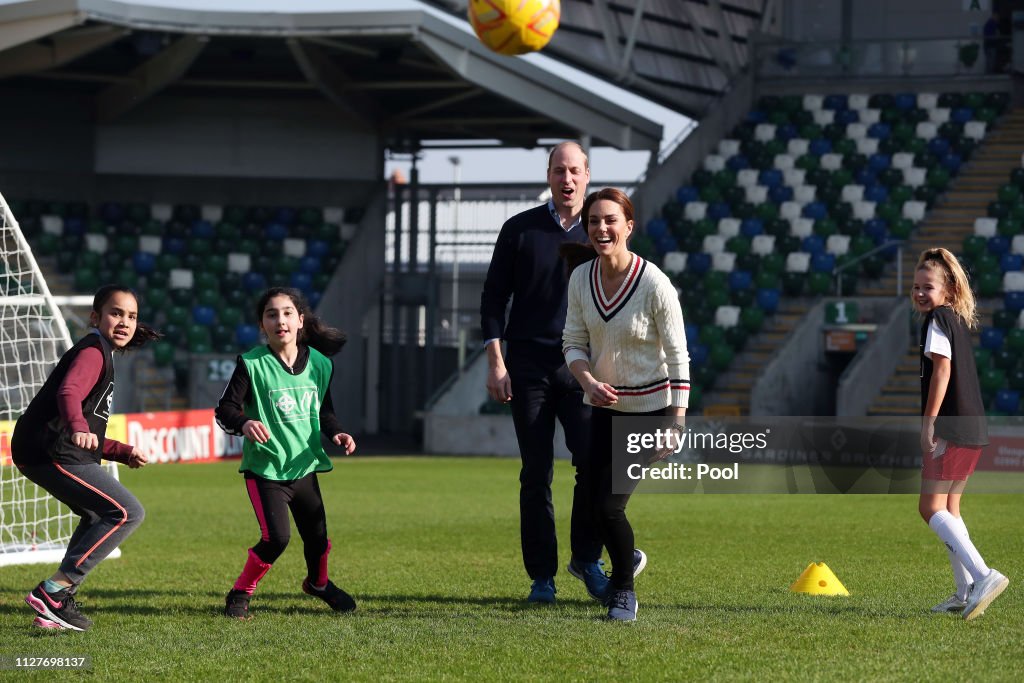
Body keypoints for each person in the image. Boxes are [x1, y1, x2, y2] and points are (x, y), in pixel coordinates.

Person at [480, 141, 623, 604]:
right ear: (548, 175)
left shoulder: (602, 231)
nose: (567, 179)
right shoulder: (519, 229)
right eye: (560, 170)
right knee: (536, 473)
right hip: (528, 368)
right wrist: (497, 364)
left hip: (584, 368)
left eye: (575, 171)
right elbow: (492, 300)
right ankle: (542, 577)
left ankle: (587, 558)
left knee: (594, 466)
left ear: (587, 175)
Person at [562, 188, 689, 622]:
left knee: (610, 506)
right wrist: (588, 381)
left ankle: (624, 592)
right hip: (602, 408)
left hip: (651, 411)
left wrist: (676, 421)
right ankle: (621, 560)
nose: (601, 228)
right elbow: (573, 342)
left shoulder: (654, 283)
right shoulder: (581, 278)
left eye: (610, 220)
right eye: (594, 220)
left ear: (628, 226)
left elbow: (678, 355)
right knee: (595, 502)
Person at [12, 285, 159, 631]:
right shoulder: (93, 350)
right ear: (96, 318)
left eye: (132, 316)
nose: (124, 321)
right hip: (50, 449)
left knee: (97, 513)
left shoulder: (102, 352)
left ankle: (56, 603)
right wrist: (77, 423)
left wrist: (122, 452)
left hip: (44, 447)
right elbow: (70, 393)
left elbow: (90, 433)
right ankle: (54, 590)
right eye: (116, 313)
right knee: (127, 512)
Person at [215, 287, 357, 619]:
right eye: (271, 314)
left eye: (287, 313)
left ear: (300, 320)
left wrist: (337, 432)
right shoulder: (251, 364)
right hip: (265, 469)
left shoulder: (321, 364)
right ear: (262, 325)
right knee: (277, 538)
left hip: (305, 466)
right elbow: (225, 410)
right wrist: (245, 423)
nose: (280, 320)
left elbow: (324, 410)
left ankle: (319, 584)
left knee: (318, 538)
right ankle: (240, 593)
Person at [913, 248, 1008, 621]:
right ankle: (964, 591)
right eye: (916, 286)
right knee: (950, 508)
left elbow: (942, 371)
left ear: (949, 289)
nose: (920, 293)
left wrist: (929, 422)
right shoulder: (954, 318)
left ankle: (984, 576)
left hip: (951, 426)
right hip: (973, 425)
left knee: (930, 507)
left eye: (929, 287)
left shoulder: (938, 319)